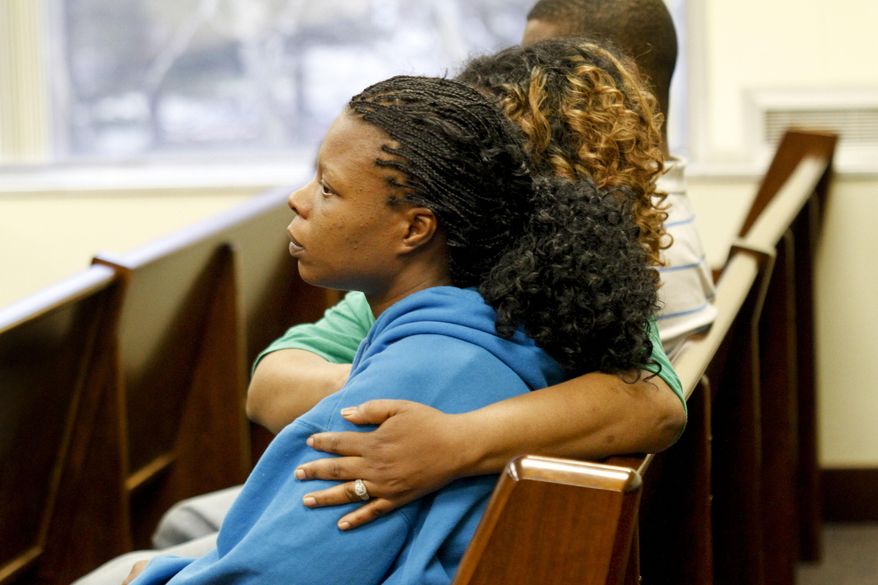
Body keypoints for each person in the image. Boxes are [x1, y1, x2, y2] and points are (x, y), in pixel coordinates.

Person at [151, 19, 694, 548]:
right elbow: (269, 381)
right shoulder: (434, 280)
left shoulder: (565, 287)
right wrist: (387, 387)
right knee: (188, 524)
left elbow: (654, 404)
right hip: (398, 465)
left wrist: (457, 434)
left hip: (444, 508)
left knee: (165, 546)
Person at [523, 0, 716, 350]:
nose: (522, 92)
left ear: (611, 83)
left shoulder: (636, 244)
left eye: (541, 74)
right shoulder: (661, 209)